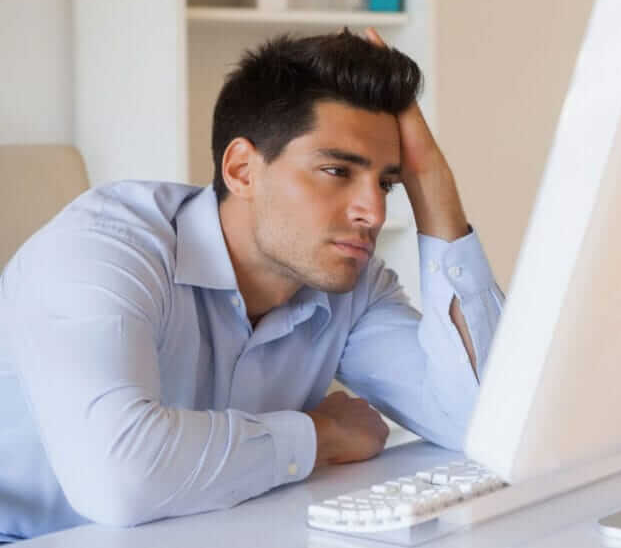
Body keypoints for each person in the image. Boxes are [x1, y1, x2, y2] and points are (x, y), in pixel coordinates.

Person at [0, 28, 504, 542]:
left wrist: (434, 187)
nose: (372, 212)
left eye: (388, 184)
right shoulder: (103, 249)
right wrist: (318, 435)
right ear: (241, 169)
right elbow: (119, 479)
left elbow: (489, 426)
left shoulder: (350, 283)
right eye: (336, 170)